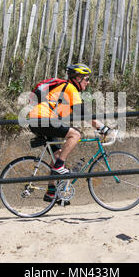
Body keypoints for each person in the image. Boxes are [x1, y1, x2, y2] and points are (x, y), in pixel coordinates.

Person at [28, 63, 111, 204]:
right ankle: (59, 166)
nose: (88, 82)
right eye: (86, 78)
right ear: (77, 78)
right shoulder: (70, 88)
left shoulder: (65, 89)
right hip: (43, 119)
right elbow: (83, 112)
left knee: (58, 154)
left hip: (38, 119)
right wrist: (103, 128)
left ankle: (51, 192)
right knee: (76, 135)